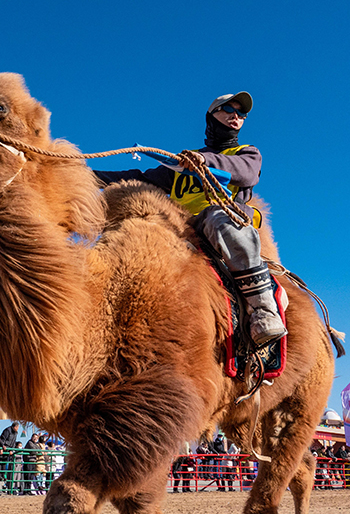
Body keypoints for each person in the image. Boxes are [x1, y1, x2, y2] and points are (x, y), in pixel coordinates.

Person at [92, 92, 285, 346]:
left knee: (220, 218)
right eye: (229, 108)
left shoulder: (246, 154)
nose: (236, 116)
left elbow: (247, 174)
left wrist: (204, 161)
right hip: (181, 227)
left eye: (242, 113)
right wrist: (86, 174)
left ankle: (263, 310)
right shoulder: (181, 164)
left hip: (221, 222)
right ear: (212, 115)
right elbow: (141, 177)